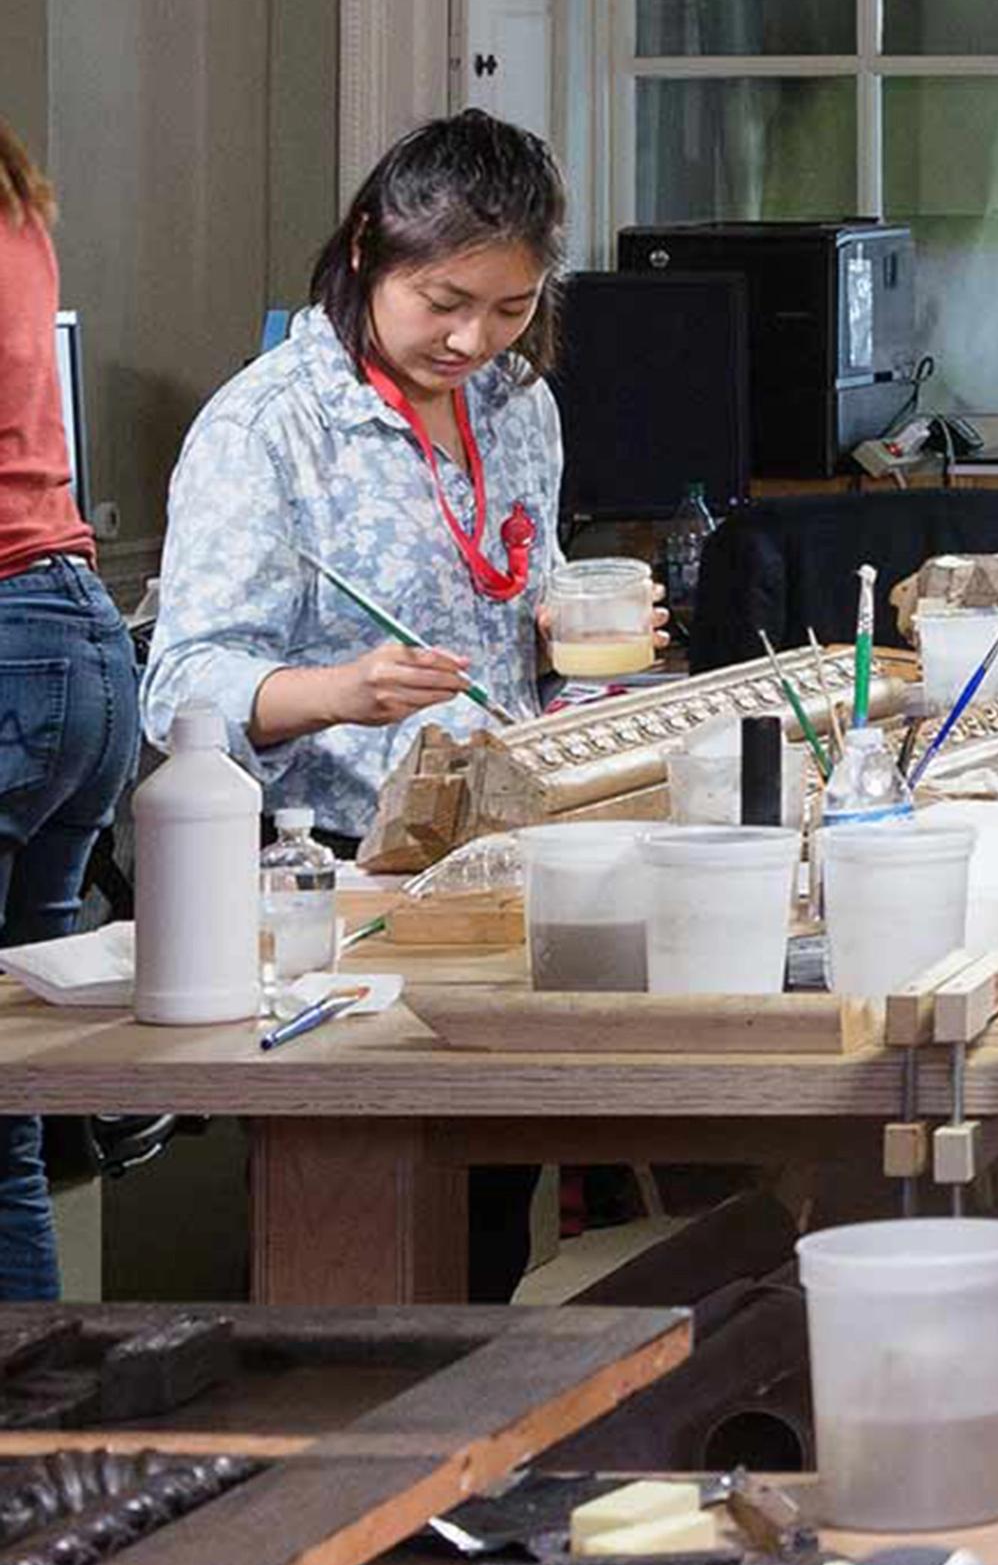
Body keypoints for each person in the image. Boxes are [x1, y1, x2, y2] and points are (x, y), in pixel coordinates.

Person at [143, 109, 572, 1299]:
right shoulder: (267, 427)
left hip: (495, 875)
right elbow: (181, 689)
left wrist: (575, 648)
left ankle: (477, 1475)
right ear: (370, 249)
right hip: (333, 891)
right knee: (357, 1239)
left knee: (489, 1232)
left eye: (511, 307)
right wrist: (341, 692)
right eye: (443, 301)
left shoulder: (519, 407)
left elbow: (519, 616)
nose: (473, 339)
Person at [0, 123, 137, 1300]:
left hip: (9, 652)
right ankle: (34, 1469)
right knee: (5, 1122)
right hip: (75, 642)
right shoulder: (14, 200)